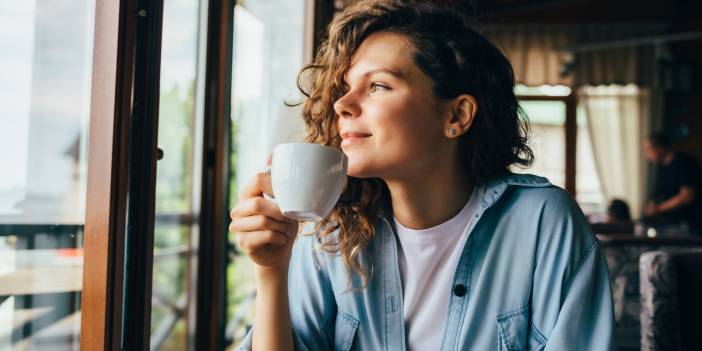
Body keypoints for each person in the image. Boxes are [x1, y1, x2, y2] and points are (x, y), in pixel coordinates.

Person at [230, 1, 615, 349]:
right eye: (346, 89)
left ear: (456, 115)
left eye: (378, 85)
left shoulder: (543, 222)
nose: (342, 104)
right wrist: (271, 272)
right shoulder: (334, 234)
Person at [643, 132, 701, 233]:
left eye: (648, 150)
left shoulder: (684, 163)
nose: (647, 155)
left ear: (660, 147)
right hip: (670, 224)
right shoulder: (662, 167)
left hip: (688, 225)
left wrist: (658, 208)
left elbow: (687, 196)